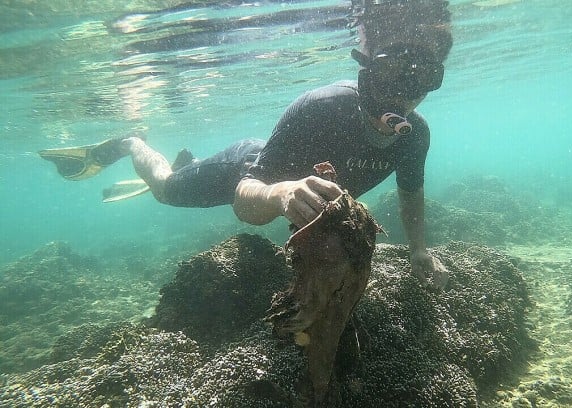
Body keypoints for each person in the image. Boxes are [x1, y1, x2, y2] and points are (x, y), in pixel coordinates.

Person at [40, 0, 453, 288]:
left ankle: (191, 160)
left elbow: (410, 193)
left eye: (421, 79)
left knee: (184, 174)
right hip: (246, 170)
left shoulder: (415, 136)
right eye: (390, 73)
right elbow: (243, 201)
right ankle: (131, 143)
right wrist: (283, 192)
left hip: (268, 175)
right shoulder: (321, 107)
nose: (402, 94)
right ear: (366, 71)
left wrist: (419, 249)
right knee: (165, 190)